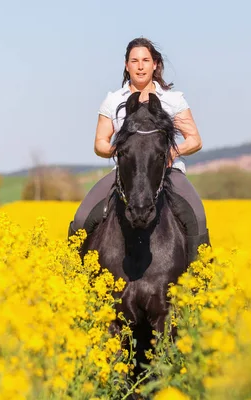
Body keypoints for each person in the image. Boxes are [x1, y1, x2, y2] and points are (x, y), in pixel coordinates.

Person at [69, 37, 210, 264]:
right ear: (127, 65)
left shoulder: (173, 100)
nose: (140, 66)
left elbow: (195, 140)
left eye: (146, 60)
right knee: (82, 218)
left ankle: (200, 282)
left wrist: (170, 154)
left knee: (197, 217)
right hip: (125, 175)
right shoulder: (113, 101)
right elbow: (100, 143)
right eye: (134, 61)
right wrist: (120, 150)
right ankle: (73, 278)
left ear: (155, 64)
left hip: (169, 173)